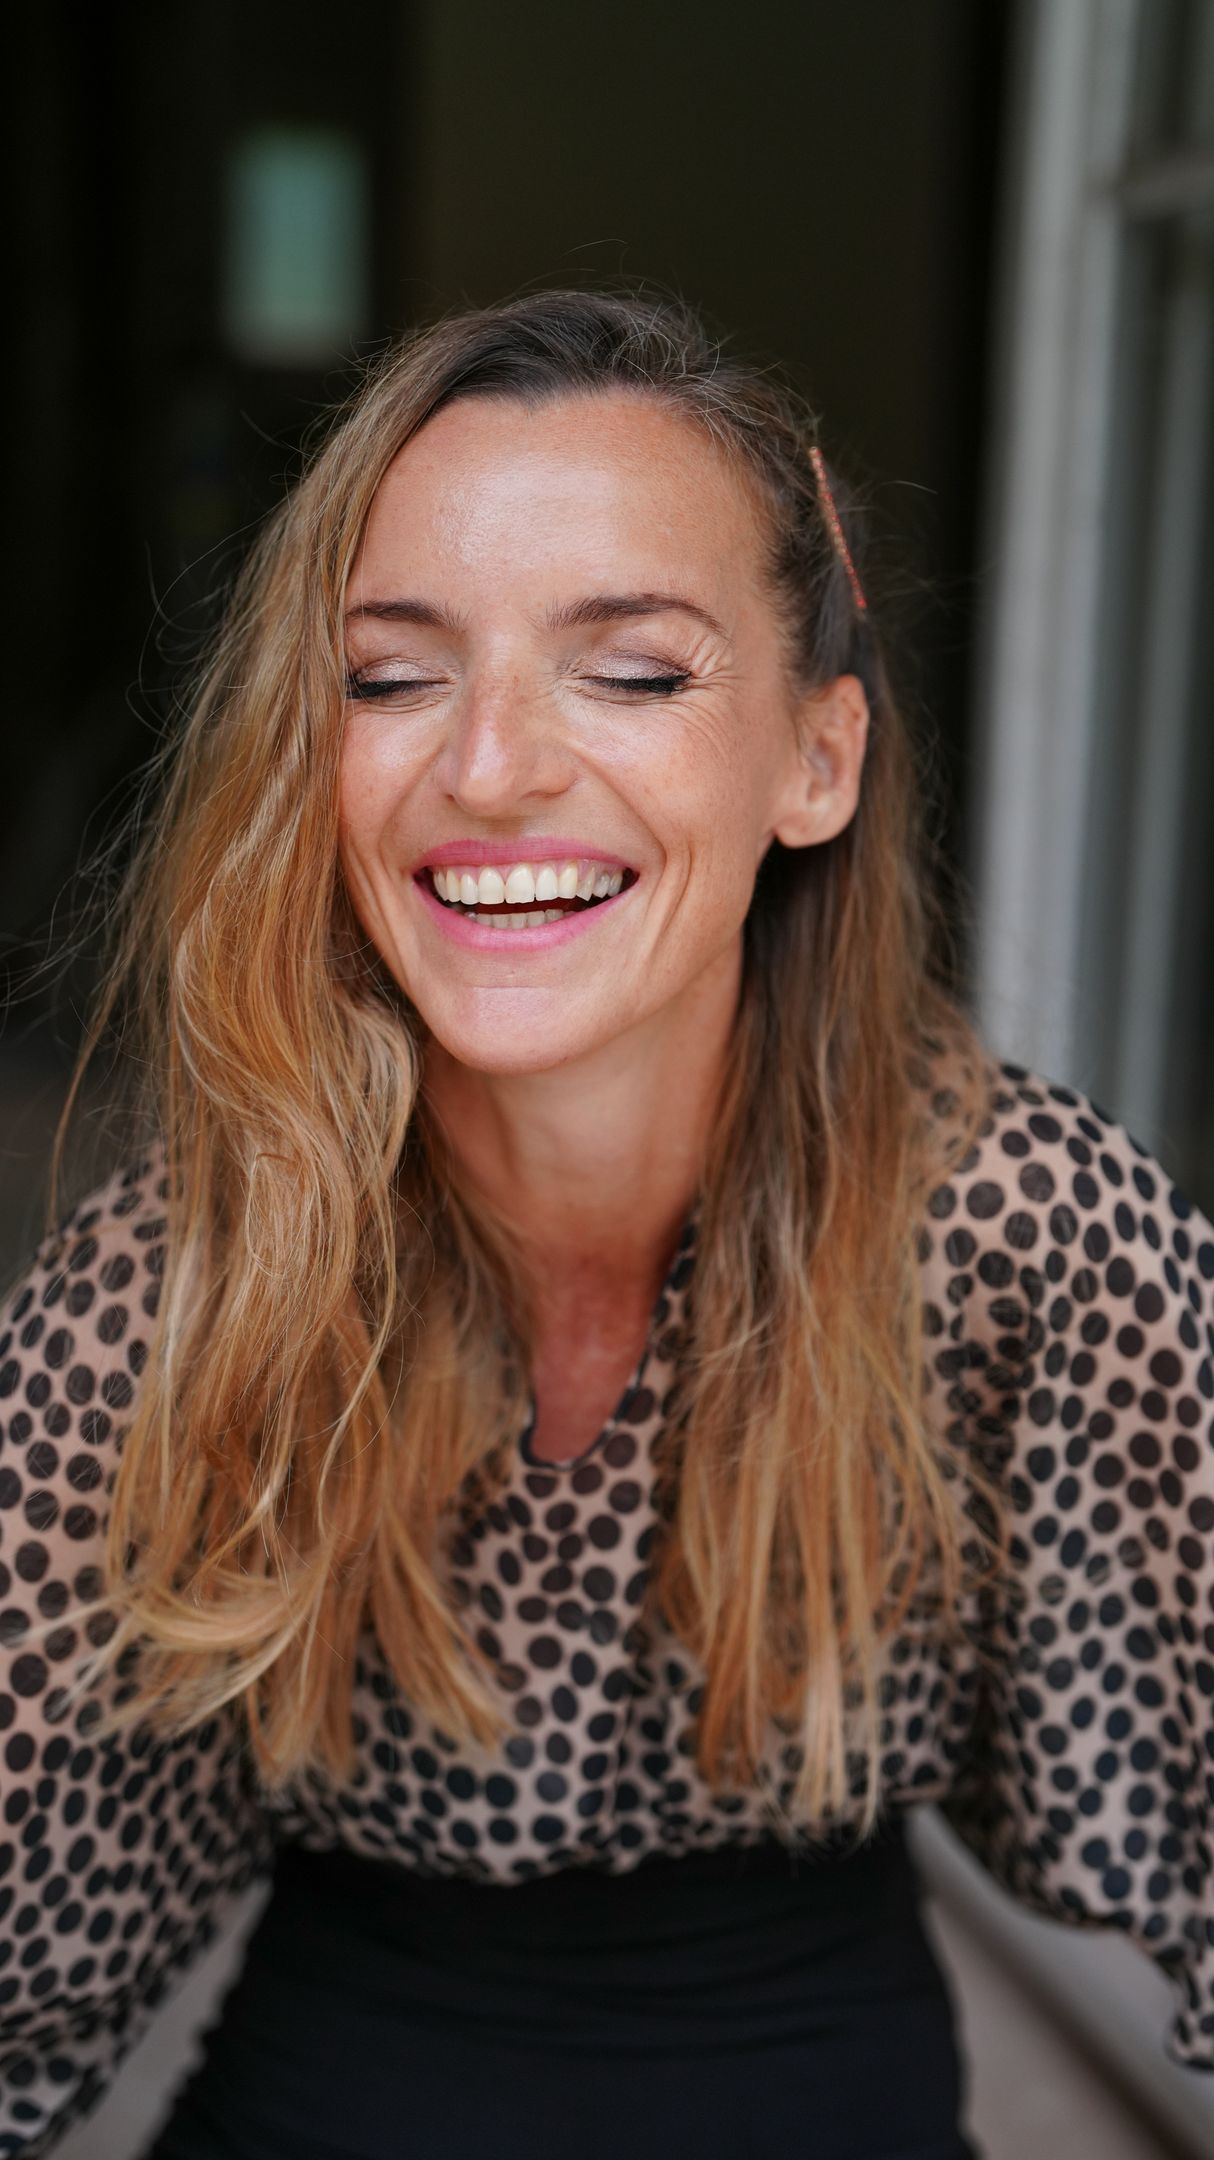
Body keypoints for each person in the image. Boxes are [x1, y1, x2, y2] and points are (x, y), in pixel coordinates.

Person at [0, 286, 1211, 2160]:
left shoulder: (1024, 1235)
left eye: (632, 672)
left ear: (816, 760)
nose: (489, 766)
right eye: (390, 678)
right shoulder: (182, 1288)